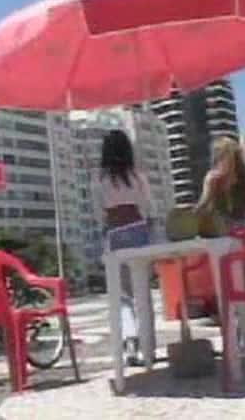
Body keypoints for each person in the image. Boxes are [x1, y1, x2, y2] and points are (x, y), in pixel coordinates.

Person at [100, 129, 153, 367]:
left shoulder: (101, 180)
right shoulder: (137, 177)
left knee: (123, 295)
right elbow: (147, 205)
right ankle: (147, 346)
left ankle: (130, 342)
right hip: (138, 229)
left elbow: (99, 211)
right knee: (142, 291)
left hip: (115, 233)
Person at [195, 137, 245, 232]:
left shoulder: (244, 178)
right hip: (221, 227)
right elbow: (204, 206)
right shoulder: (213, 179)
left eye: (234, 157)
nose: (230, 163)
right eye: (223, 157)